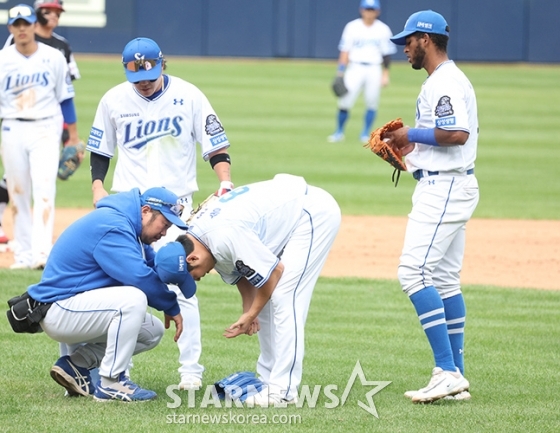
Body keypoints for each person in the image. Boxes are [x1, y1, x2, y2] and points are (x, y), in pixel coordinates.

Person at [86, 37, 233, 391]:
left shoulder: (189, 95)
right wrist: (97, 187)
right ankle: (111, 371)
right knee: (118, 290)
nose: (144, 82)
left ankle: (190, 372)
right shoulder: (113, 100)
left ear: (162, 64)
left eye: (149, 73)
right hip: (129, 207)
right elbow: (100, 150)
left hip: (176, 210)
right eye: (136, 76)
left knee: (183, 284)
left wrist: (225, 182)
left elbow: (215, 144)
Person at [176, 173, 341, 406]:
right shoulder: (199, 240)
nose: (197, 280)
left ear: (192, 258)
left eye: (192, 276)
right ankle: (268, 381)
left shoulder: (222, 236)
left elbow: (273, 274)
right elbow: (244, 271)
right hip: (286, 215)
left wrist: (251, 313)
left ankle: (283, 390)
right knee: (264, 299)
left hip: (310, 211)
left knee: (285, 296)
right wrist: (248, 309)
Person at [385, 10, 479, 403]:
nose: (404, 47)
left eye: (408, 40)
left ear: (426, 39)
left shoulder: (444, 82)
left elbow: (456, 133)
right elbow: (442, 136)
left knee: (412, 272)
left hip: (444, 188)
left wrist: (412, 133)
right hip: (448, 183)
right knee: (443, 280)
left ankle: (445, 369)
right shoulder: (443, 81)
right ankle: (455, 375)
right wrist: (411, 145)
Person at [27, 186, 193, 402]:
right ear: (145, 211)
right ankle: (112, 382)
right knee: (134, 299)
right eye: (165, 224)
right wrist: (170, 305)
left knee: (152, 330)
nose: (164, 233)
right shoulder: (113, 226)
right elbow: (139, 277)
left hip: (76, 307)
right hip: (59, 310)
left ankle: (76, 366)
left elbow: (149, 263)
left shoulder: (128, 227)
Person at [0, 3, 82, 270]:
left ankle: (42, 254)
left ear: (35, 25)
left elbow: (66, 98)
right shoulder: (3, 60)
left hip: (46, 128)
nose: (22, 29)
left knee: (44, 190)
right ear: (11, 28)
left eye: (26, 23)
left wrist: (72, 136)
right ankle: (23, 255)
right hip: (12, 127)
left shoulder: (53, 57)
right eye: (17, 25)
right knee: (18, 192)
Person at [328, 0, 396, 144]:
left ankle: (365, 133)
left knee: (372, 101)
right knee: (345, 100)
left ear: (377, 11)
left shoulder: (383, 29)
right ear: (361, 10)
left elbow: (386, 55)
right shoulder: (352, 27)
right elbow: (345, 51)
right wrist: (340, 72)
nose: (369, 12)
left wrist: (385, 74)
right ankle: (339, 132)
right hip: (355, 67)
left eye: (372, 9)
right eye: (367, 9)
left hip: (374, 68)